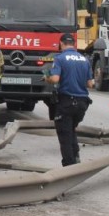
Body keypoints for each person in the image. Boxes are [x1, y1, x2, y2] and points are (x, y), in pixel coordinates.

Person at [43, 33, 94, 166]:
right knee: (71, 129)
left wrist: (46, 78)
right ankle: (76, 156)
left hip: (66, 102)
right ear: (74, 44)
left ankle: (69, 166)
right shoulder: (84, 59)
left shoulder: (59, 58)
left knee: (64, 134)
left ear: (61, 43)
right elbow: (91, 84)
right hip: (82, 103)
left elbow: (55, 79)